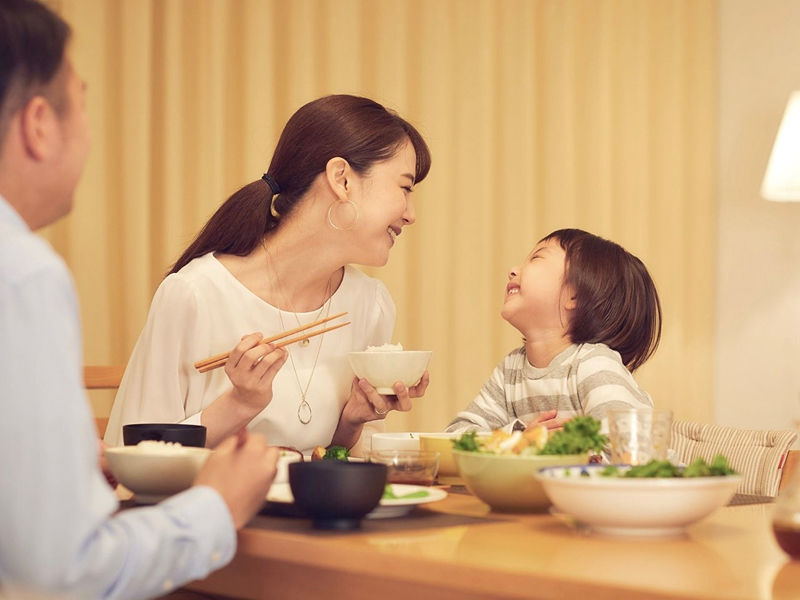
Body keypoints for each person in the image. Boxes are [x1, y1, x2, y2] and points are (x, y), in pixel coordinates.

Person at [0, 1, 280, 598]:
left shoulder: (369, 300)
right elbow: (65, 572)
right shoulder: (23, 274)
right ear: (40, 122)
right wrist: (216, 507)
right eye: (83, 99)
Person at [104, 95, 432, 455]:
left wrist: (351, 423)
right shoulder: (195, 295)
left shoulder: (369, 305)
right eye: (404, 188)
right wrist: (239, 404)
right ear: (342, 180)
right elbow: (134, 457)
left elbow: (344, 469)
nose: (411, 214)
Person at [446, 228, 661, 434]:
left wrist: (566, 451)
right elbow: (456, 434)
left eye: (536, 258)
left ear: (574, 296)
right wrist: (519, 438)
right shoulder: (510, 371)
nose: (512, 270)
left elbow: (632, 448)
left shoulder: (593, 364)